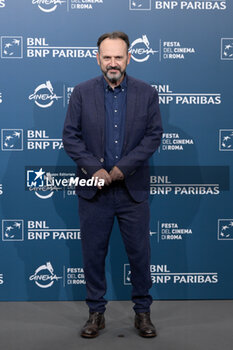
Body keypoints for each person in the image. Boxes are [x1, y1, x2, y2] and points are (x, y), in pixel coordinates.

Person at [63, 31, 163, 338]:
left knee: (139, 255)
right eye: (107, 57)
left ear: (129, 57)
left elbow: (153, 136)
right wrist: (97, 170)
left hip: (132, 192)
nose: (113, 63)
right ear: (98, 58)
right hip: (94, 193)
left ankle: (142, 313)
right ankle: (96, 313)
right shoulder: (81, 92)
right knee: (93, 255)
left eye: (118, 56)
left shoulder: (147, 93)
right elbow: (71, 137)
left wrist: (120, 170)